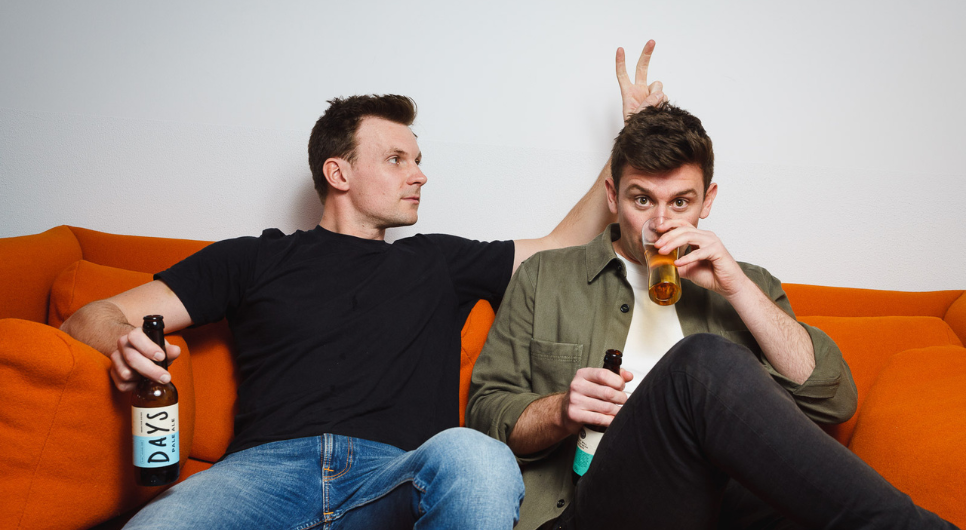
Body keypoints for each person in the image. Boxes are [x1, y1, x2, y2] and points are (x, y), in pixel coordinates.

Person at [59, 42, 668, 529]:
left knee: (477, 455)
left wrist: (631, 139)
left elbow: (559, 244)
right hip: (262, 477)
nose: (421, 174)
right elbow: (90, 316)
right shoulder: (251, 260)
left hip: (396, 476)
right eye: (398, 159)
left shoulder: (438, 262)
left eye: (418, 158)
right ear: (338, 171)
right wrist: (121, 340)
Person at [467, 103, 960, 529]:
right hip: (597, 506)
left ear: (708, 201)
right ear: (613, 198)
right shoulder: (545, 277)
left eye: (680, 202)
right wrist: (560, 410)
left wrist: (737, 288)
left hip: (732, 513)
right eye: (642, 200)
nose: (661, 224)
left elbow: (835, 399)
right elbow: (485, 413)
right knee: (699, 363)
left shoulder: (746, 284)